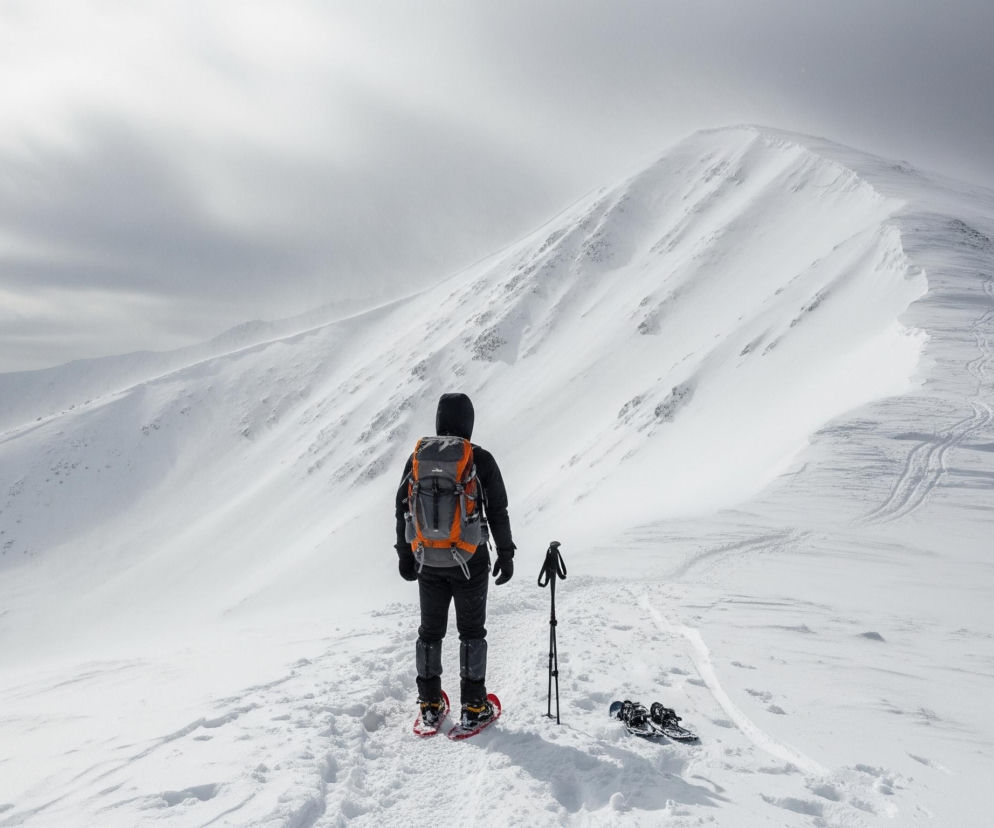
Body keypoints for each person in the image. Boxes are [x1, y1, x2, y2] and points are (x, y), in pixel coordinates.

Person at [395, 392, 516, 728]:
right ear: (469, 422)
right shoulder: (480, 459)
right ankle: (474, 707)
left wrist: (405, 555)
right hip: (469, 561)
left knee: (430, 632)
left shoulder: (417, 458)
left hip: (428, 562)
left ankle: (430, 704)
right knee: (471, 632)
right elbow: (498, 510)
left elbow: (402, 506)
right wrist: (505, 554)